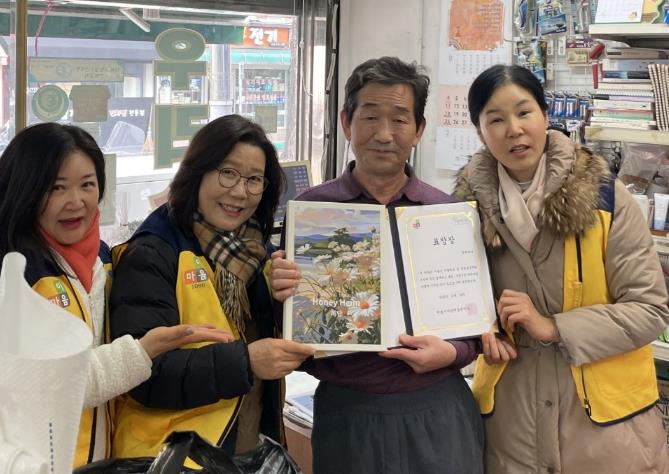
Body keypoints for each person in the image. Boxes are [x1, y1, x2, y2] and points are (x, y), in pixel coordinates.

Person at [270, 57, 484, 474]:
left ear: (418, 130)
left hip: (439, 408)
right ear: (346, 122)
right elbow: (289, 327)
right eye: (370, 116)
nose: (384, 134)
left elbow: (477, 327)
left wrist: (453, 352)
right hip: (348, 413)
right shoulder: (312, 212)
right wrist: (278, 291)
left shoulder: (448, 213)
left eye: (399, 119)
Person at [455, 64, 669, 473]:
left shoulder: (605, 199)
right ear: (480, 132)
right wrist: (481, 331)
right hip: (511, 426)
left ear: (545, 114)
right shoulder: (464, 212)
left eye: (524, 112)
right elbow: (456, 304)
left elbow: (650, 309)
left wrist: (555, 327)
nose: (514, 129)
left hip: (606, 429)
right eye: (495, 120)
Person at [0, 122, 234, 468]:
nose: (76, 201)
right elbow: (45, 387)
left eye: (87, 184)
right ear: (24, 189)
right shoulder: (15, 275)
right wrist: (141, 351)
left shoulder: (103, 262)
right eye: (56, 188)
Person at [109, 114, 315, 459]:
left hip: (244, 450)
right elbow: (142, 375)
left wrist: (285, 300)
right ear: (197, 172)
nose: (240, 192)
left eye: (254, 179)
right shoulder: (153, 253)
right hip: (175, 458)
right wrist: (246, 362)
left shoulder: (256, 254)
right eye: (228, 173)